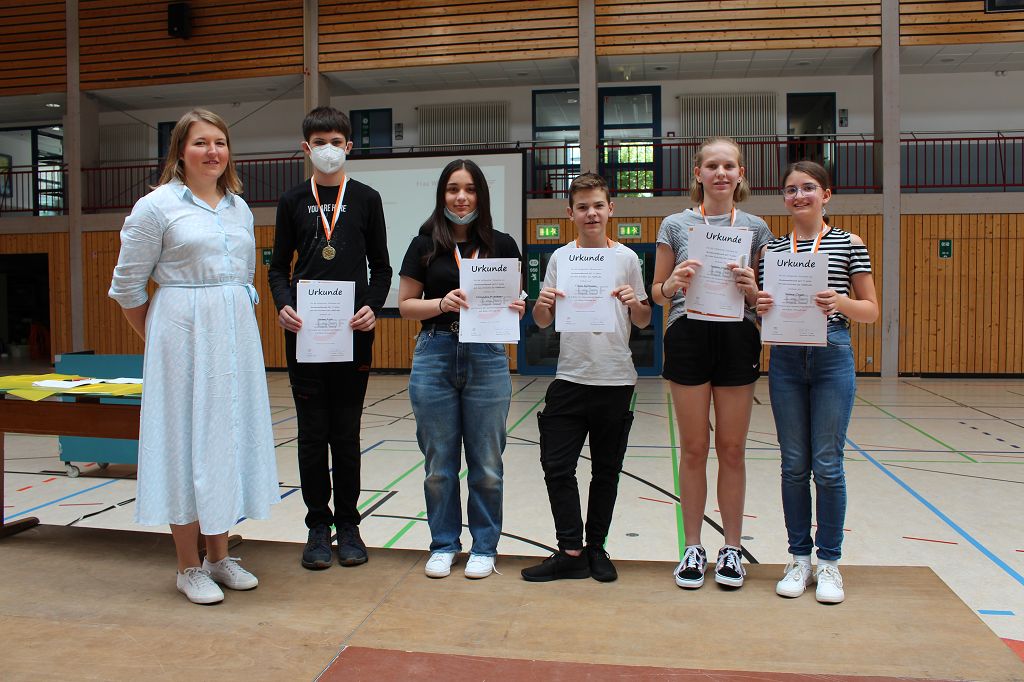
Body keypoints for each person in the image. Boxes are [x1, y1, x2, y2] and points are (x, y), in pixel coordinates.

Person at [109, 109, 280, 605]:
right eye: (201, 142)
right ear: (180, 152)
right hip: (181, 335)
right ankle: (187, 566)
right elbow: (127, 287)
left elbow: (242, 278)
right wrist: (161, 339)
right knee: (183, 444)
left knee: (224, 439)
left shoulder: (239, 208)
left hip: (234, 337)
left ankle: (218, 557)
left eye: (220, 142)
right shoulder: (155, 207)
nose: (212, 151)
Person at [268, 106, 392, 570]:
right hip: (305, 337)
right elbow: (278, 268)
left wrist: (372, 306)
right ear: (306, 148)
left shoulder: (366, 198)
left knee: (346, 434)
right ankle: (317, 527)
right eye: (320, 142)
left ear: (349, 146)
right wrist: (283, 304)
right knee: (311, 435)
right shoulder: (291, 200)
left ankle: (349, 525)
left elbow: (382, 268)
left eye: (336, 141)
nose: (328, 149)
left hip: (352, 336)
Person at [650, 136, 773, 590]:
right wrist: (673, 284)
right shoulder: (675, 225)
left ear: (741, 174)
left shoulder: (756, 228)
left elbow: (765, 301)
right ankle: (693, 546)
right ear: (697, 173)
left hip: (737, 335)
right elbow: (656, 293)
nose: (721, 173)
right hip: (688, 334)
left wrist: (752, 291)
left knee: (733, 449)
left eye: (729, 166)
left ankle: (732, 549)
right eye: (712, 166)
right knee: (694, 448)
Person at [756, 161, 878, 604]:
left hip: (832, 354)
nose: (799, 196)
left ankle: (829, 562)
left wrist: (840, 300)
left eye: (808, 188)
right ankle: (798, 559)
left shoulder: (849, 242)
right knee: (793, 464)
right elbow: (766, 313)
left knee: (827, 464)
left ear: (826, 195)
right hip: (787, 358)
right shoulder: (772, 249)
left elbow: (871, 310)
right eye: (791, 189)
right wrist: (761, 306)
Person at [520, 172, 651, 583]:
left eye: (597, 205)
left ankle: (596, 547)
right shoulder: (561, 258)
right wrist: (542, 302)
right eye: (582, 207)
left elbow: (643, 320)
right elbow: (543, 320)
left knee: (606, 471)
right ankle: (570, 550)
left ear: (611, 209)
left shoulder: (627, 259)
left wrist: (634, 303)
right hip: (570, 377)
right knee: (557, 466)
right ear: (570, 213)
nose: (591, 213)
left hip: (615, 379)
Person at [398, 159, 525, 580]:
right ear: (443, 195)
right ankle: (444, 544)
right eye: (453, 189)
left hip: (486, 354)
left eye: (469, 189)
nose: (461, 197)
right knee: (439, 465)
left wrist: (518, 306)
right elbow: (405, 306)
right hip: (435, 351)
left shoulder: (502, 244)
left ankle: (484, 547)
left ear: (480, 195)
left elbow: (515, 301)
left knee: (486, 463)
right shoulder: (423, 244)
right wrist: (441, 303)